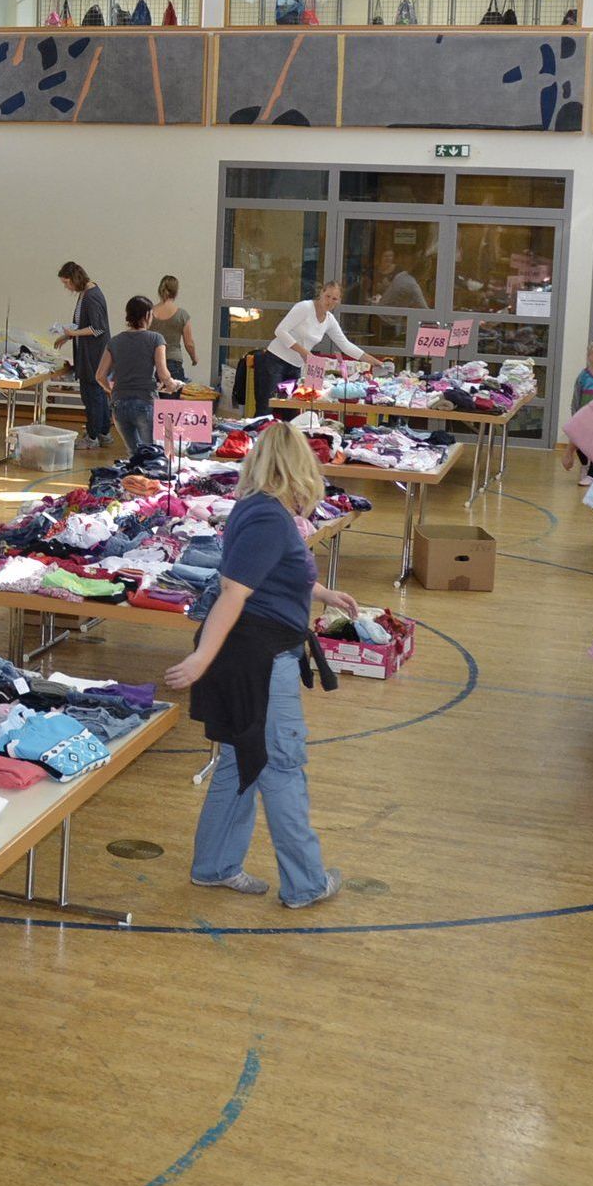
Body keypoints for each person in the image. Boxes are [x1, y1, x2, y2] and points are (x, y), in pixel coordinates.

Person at [165, 422, 352, 909]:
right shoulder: (271, 517)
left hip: (244, 656)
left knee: (239, 762)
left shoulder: (254, 509)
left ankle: (214, 866)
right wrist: (201, 657)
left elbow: (263, 573)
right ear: (298, 467)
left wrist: (321, 592)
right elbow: (234, 591)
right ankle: (307, 882)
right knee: (281, 766)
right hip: (258, 661)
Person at [257, 280, 365, 416]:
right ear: (321, 293)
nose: (330, 301)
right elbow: (280, 331)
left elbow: (345, 345)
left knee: (290, 412)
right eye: (328, 296)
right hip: (276, 361)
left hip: (295, 366)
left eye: (334, 299)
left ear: (338, 301)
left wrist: (372, 360)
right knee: (266, 408)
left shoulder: (329, 320)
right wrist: (303, 352)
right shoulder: (305, 307)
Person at [96, 296, 177, 454]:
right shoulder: (156, 338)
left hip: (119, 405)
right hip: (145, 401)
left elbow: (99, 376)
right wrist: (172, 384)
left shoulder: (114, 341)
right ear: (147, 315)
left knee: (134, 454)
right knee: (152, 454)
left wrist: (112, 390)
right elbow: (163, 373)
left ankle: (135, 478)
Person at [58, 262, 113, 450]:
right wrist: (67, 336)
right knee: (97, 394)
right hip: (90, 353)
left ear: (75, 279)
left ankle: (92, 436)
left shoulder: (91, 297)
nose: (67, 287)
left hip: (94, 355)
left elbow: (98, 328)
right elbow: (83, 323)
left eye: (67, 283)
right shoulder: (86, 294)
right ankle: (103, 433)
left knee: (92, 395)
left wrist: (73, 334)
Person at [559, 340, 593, 483]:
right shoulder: (583, 376)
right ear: (589, 356)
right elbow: (576, 396)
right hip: (584, 413)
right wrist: (575, 414)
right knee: (579, 442)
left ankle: (592, 474)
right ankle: (585, 464)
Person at [148, 276, 198, 391]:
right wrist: (194, 358)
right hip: (173, 362)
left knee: (156, 404)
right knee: (173, 404)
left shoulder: (150, 313)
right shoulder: (182, 315)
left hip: (154, 363)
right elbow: (189, 343)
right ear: (176, 292)